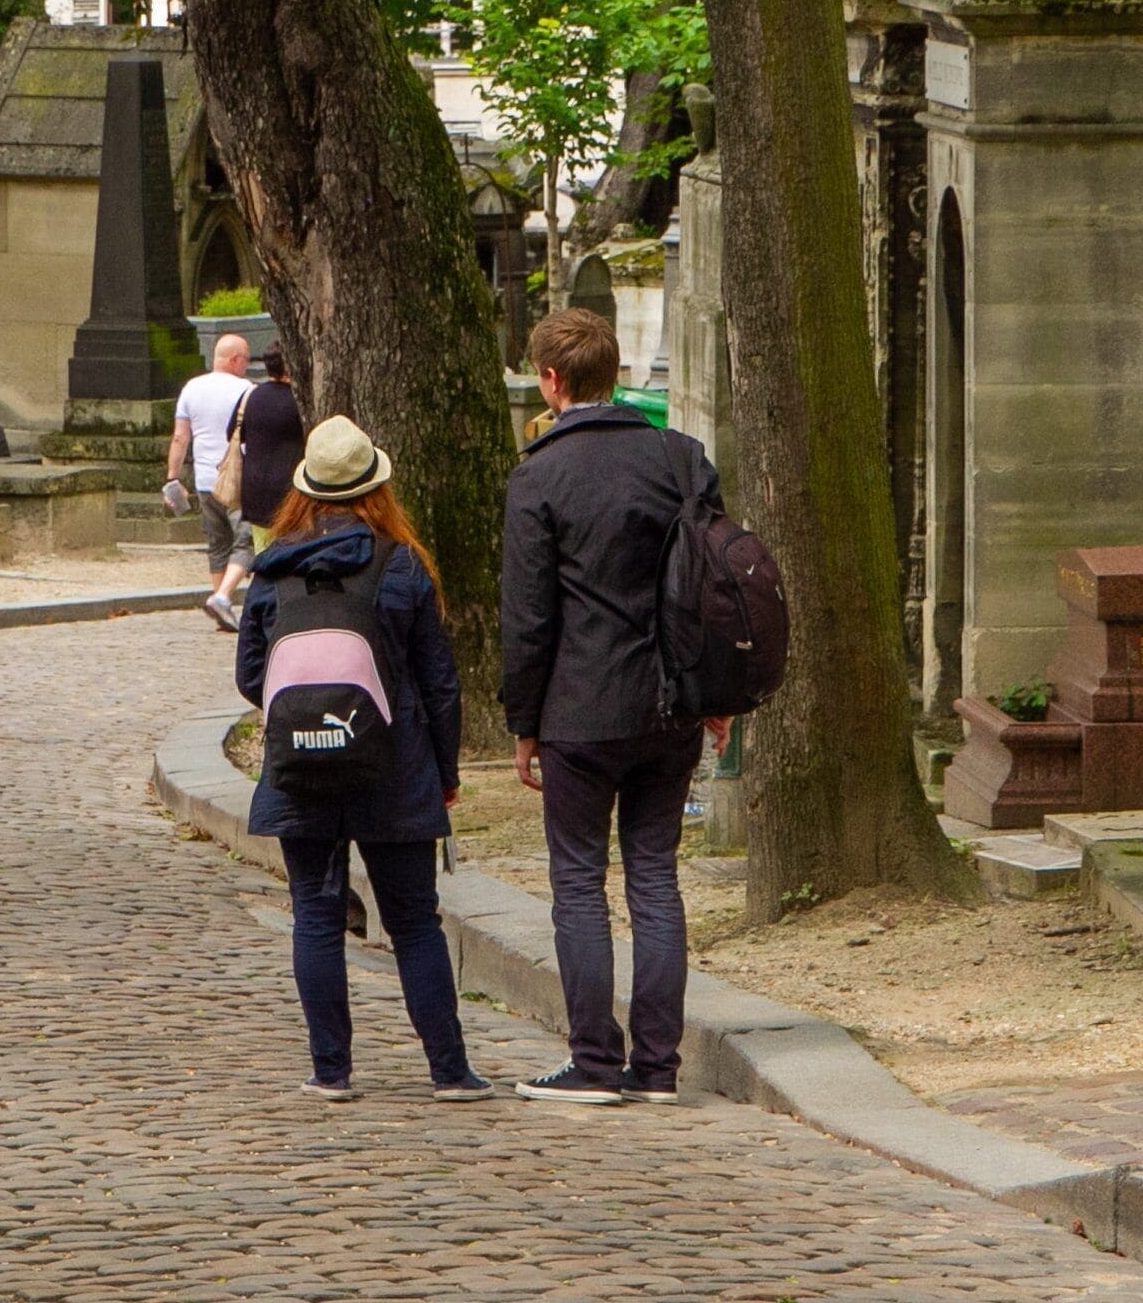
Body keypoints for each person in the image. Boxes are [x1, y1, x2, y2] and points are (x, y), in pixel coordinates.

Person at [497, 306, 728, 1106]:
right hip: (670, 703)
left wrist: (521, 723)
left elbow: (528, 617)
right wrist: (716, 693)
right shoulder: (680, 458)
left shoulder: (538, 476)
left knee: (578, 881)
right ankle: (658, 1067)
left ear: (552, 381)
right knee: (656, 880)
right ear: (615, 369)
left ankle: (595, 1060)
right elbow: (712, 588)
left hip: (579, 709)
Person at [232, 417, 490, 1103]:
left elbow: (251, 674)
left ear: (306, 491)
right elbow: (439, 683)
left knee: (315, 916)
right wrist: (447, 775)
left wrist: (302, 711)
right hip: (394, 762)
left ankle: (332, 1071)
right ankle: (448, 1070)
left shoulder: (273, 567)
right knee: (412, 920)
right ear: (378, 487)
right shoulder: (401, 564)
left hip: (300, 766)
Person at [169, 331, 255, 629]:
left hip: (205, 480)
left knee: (218, 543)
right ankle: (223, 596)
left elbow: (180, 437)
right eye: (245, 359)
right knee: (247, 540)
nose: (246, 365)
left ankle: (222, 607)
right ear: (234, 360)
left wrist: (173, 477)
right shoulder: (246, 389)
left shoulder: (191, 388)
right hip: (235, 479)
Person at [228, 354, 304, 554]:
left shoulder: (251, 396)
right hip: (291, 488)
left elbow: (233, 433)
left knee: (263, 550)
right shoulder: (300, 401)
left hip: (255, 487)